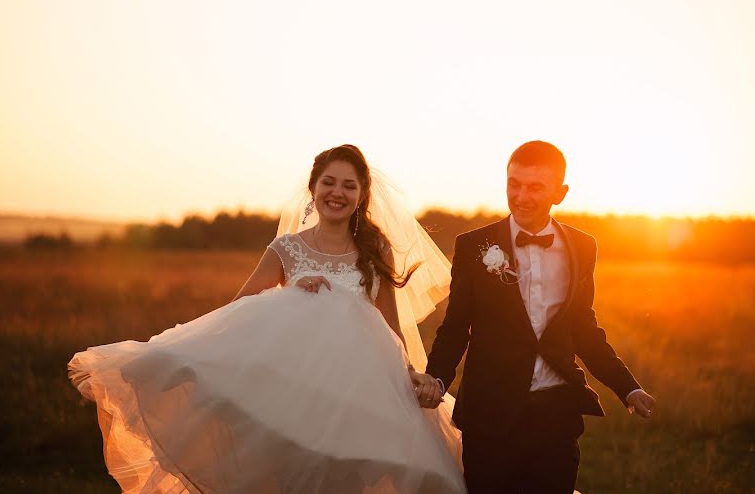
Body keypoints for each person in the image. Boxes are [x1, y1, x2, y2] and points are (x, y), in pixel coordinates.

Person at [69, 144, 465, 494]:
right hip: (296, 389)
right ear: (313, 189)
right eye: (329, 182)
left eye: (349, 185)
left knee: (352, 474)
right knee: (292, 475)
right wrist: (289, 291)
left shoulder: (375, 249)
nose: (337, 193)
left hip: (359, 393)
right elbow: (237, 313)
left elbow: (391, 326)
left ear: (361, 195)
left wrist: (411, 373)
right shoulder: (287, 249)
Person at [424, 140, 656, 494]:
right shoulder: (474, 246)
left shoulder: (582, 247)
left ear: (560, 193)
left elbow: (584, 328)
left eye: (535, 187)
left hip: (556, 416)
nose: (521, 196)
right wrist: (436, 380)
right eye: (513, 184)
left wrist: (628, 387)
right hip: (490, 415)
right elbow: (456, 327)